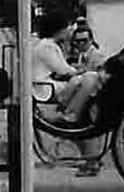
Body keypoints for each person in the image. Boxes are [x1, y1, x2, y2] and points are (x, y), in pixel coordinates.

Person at [31, 11, 105, 177]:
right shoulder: (47, 46)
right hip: (45, 88)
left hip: (47, 85)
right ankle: (70, 113)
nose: (69, 31)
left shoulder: (47, 45)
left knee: (86, 80)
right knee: (88, 79)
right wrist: (80, 71)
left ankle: (72, 113)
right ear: (59, 29)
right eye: (67, 28)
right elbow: (63, 69)